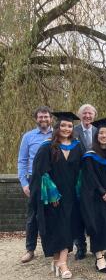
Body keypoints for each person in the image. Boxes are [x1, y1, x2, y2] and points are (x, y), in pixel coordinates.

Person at [30, 112, 84, 279]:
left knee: (68, 227)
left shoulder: (77, 146)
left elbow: (82, 172)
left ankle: (61, 262)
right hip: (53, 197)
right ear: (57, 127)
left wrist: (80, 191)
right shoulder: (47, 147)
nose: (66, 129)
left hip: (71, 196)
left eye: (69, 126)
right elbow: (42, 173)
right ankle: (60, 262)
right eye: (63, 126)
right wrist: (52, 195)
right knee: (57, 229)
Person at [79, 118, 106, 273]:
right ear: (96, 135)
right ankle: (99, 258)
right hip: (95, 197)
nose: (104, 136)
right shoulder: (90, 155)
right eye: (101, 133)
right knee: (97, 225)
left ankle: (102, 253)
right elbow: (90, 177)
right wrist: (103, 192)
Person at [18, 106, 53, 263]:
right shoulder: (28, 137)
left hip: (53, 178)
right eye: (40, 117)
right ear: (36, 119)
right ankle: (30, 249)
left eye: (46, 116)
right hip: (35, 179)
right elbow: (23, 160)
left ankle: (54, 247)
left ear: (51, 118)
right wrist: (24, 183)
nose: (43, 119)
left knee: (54, 214)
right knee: (33, 215)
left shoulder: (57, 134)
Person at [71, 104, 98, 260]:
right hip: (78, 177)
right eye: (85, 113)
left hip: (96, 178)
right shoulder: (72, 131)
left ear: (94, 115)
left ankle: (97, 246)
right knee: (78, 214)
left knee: (95, 213)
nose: (87, 116)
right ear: (80, 115)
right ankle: (80, 246)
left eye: (90, 113)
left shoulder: (99, 131)